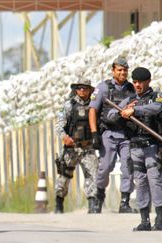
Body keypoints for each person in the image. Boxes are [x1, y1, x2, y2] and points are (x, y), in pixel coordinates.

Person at [107, 67, 162, 231]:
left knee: (155, 181)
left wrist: (135, 110)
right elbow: (110, 114)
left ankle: (160, 219)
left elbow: (156, 108)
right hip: (135, 146)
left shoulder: (156, 96)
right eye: (135, 82)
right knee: (141, 183)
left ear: (148, 81)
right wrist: (121, 113)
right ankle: (144, 220)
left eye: (141, 82)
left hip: (152, 146)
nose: (137, 85)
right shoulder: (130, 100)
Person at [88, 57, 135, 213]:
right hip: (108, 133)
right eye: (119, 70)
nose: (122, 73)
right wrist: (94, 133)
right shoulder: (103, 88)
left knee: (128, 166)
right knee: (105, 166)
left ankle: (124, 202)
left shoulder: (132, 89)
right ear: (113, 71)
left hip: (127, 134)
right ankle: (99, 196)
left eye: (125, 70)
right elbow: (93, 110)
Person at [54, 79, 99, 214]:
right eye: (79, 88)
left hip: (88, 147)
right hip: (71, 148)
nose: (82, 91)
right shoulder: (69, 106)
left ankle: (92, 205)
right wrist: (65, 137)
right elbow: (59, 125)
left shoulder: (94, 105)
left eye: (85, 88)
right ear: (75, 90)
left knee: (93, 176)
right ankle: (59, 203)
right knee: (64, 176)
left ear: (90, 90)